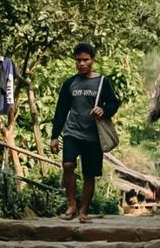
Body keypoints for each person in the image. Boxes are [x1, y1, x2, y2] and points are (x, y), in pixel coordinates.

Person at [50, 42, 120, 223]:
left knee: (89, 174)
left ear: (92, 60)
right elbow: (61, 110)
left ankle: (83, 211)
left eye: (85, 60)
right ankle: (71, 204)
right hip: (72, 132)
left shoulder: (103, 82)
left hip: (93, 136)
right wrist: (54, 137)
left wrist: (104, 110)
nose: (81, 64)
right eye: (78, 60)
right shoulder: (70, 83)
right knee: (67, 165)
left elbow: (114, 103)